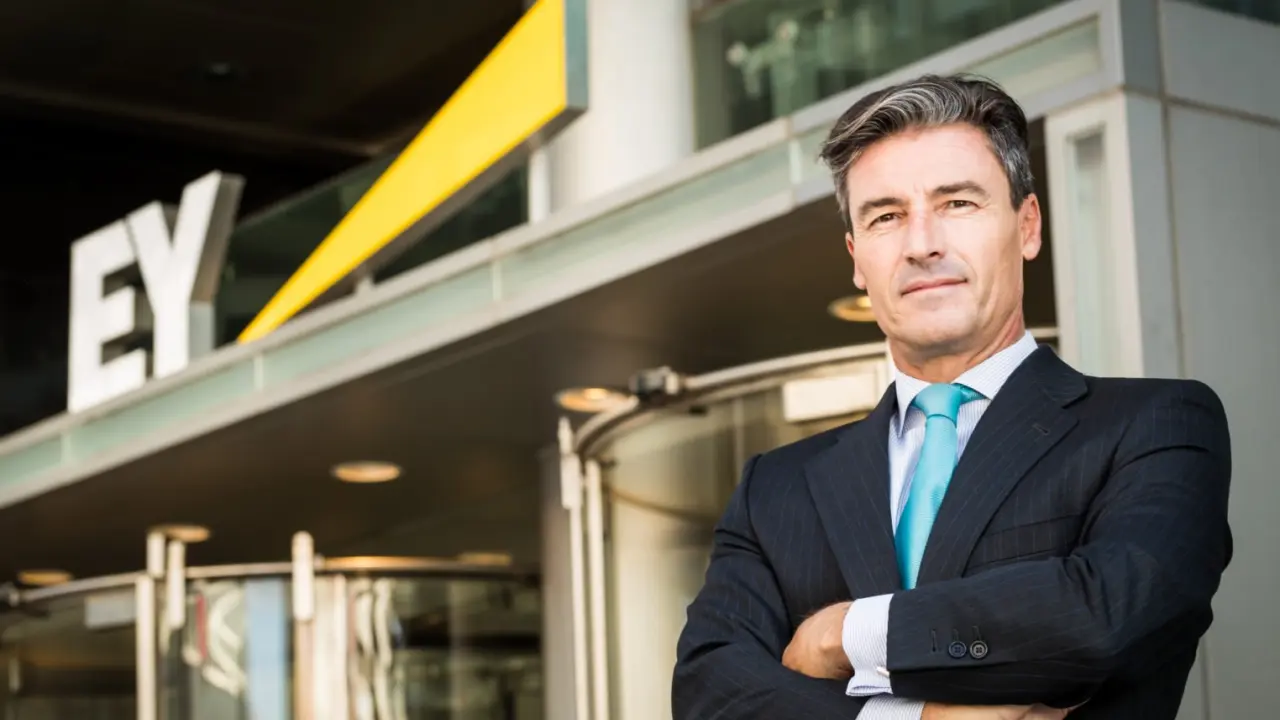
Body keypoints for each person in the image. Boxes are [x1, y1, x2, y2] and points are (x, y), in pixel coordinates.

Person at [671, 74, 1232, 720]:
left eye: (958, 203)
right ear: (856, 258)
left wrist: (845, 633)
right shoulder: (775, 490)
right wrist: (915, 719)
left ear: (1027, 226)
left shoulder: (1156, 427)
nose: (921, 244)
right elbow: (709, 691)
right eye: (886, 216)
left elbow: (1099, 616)